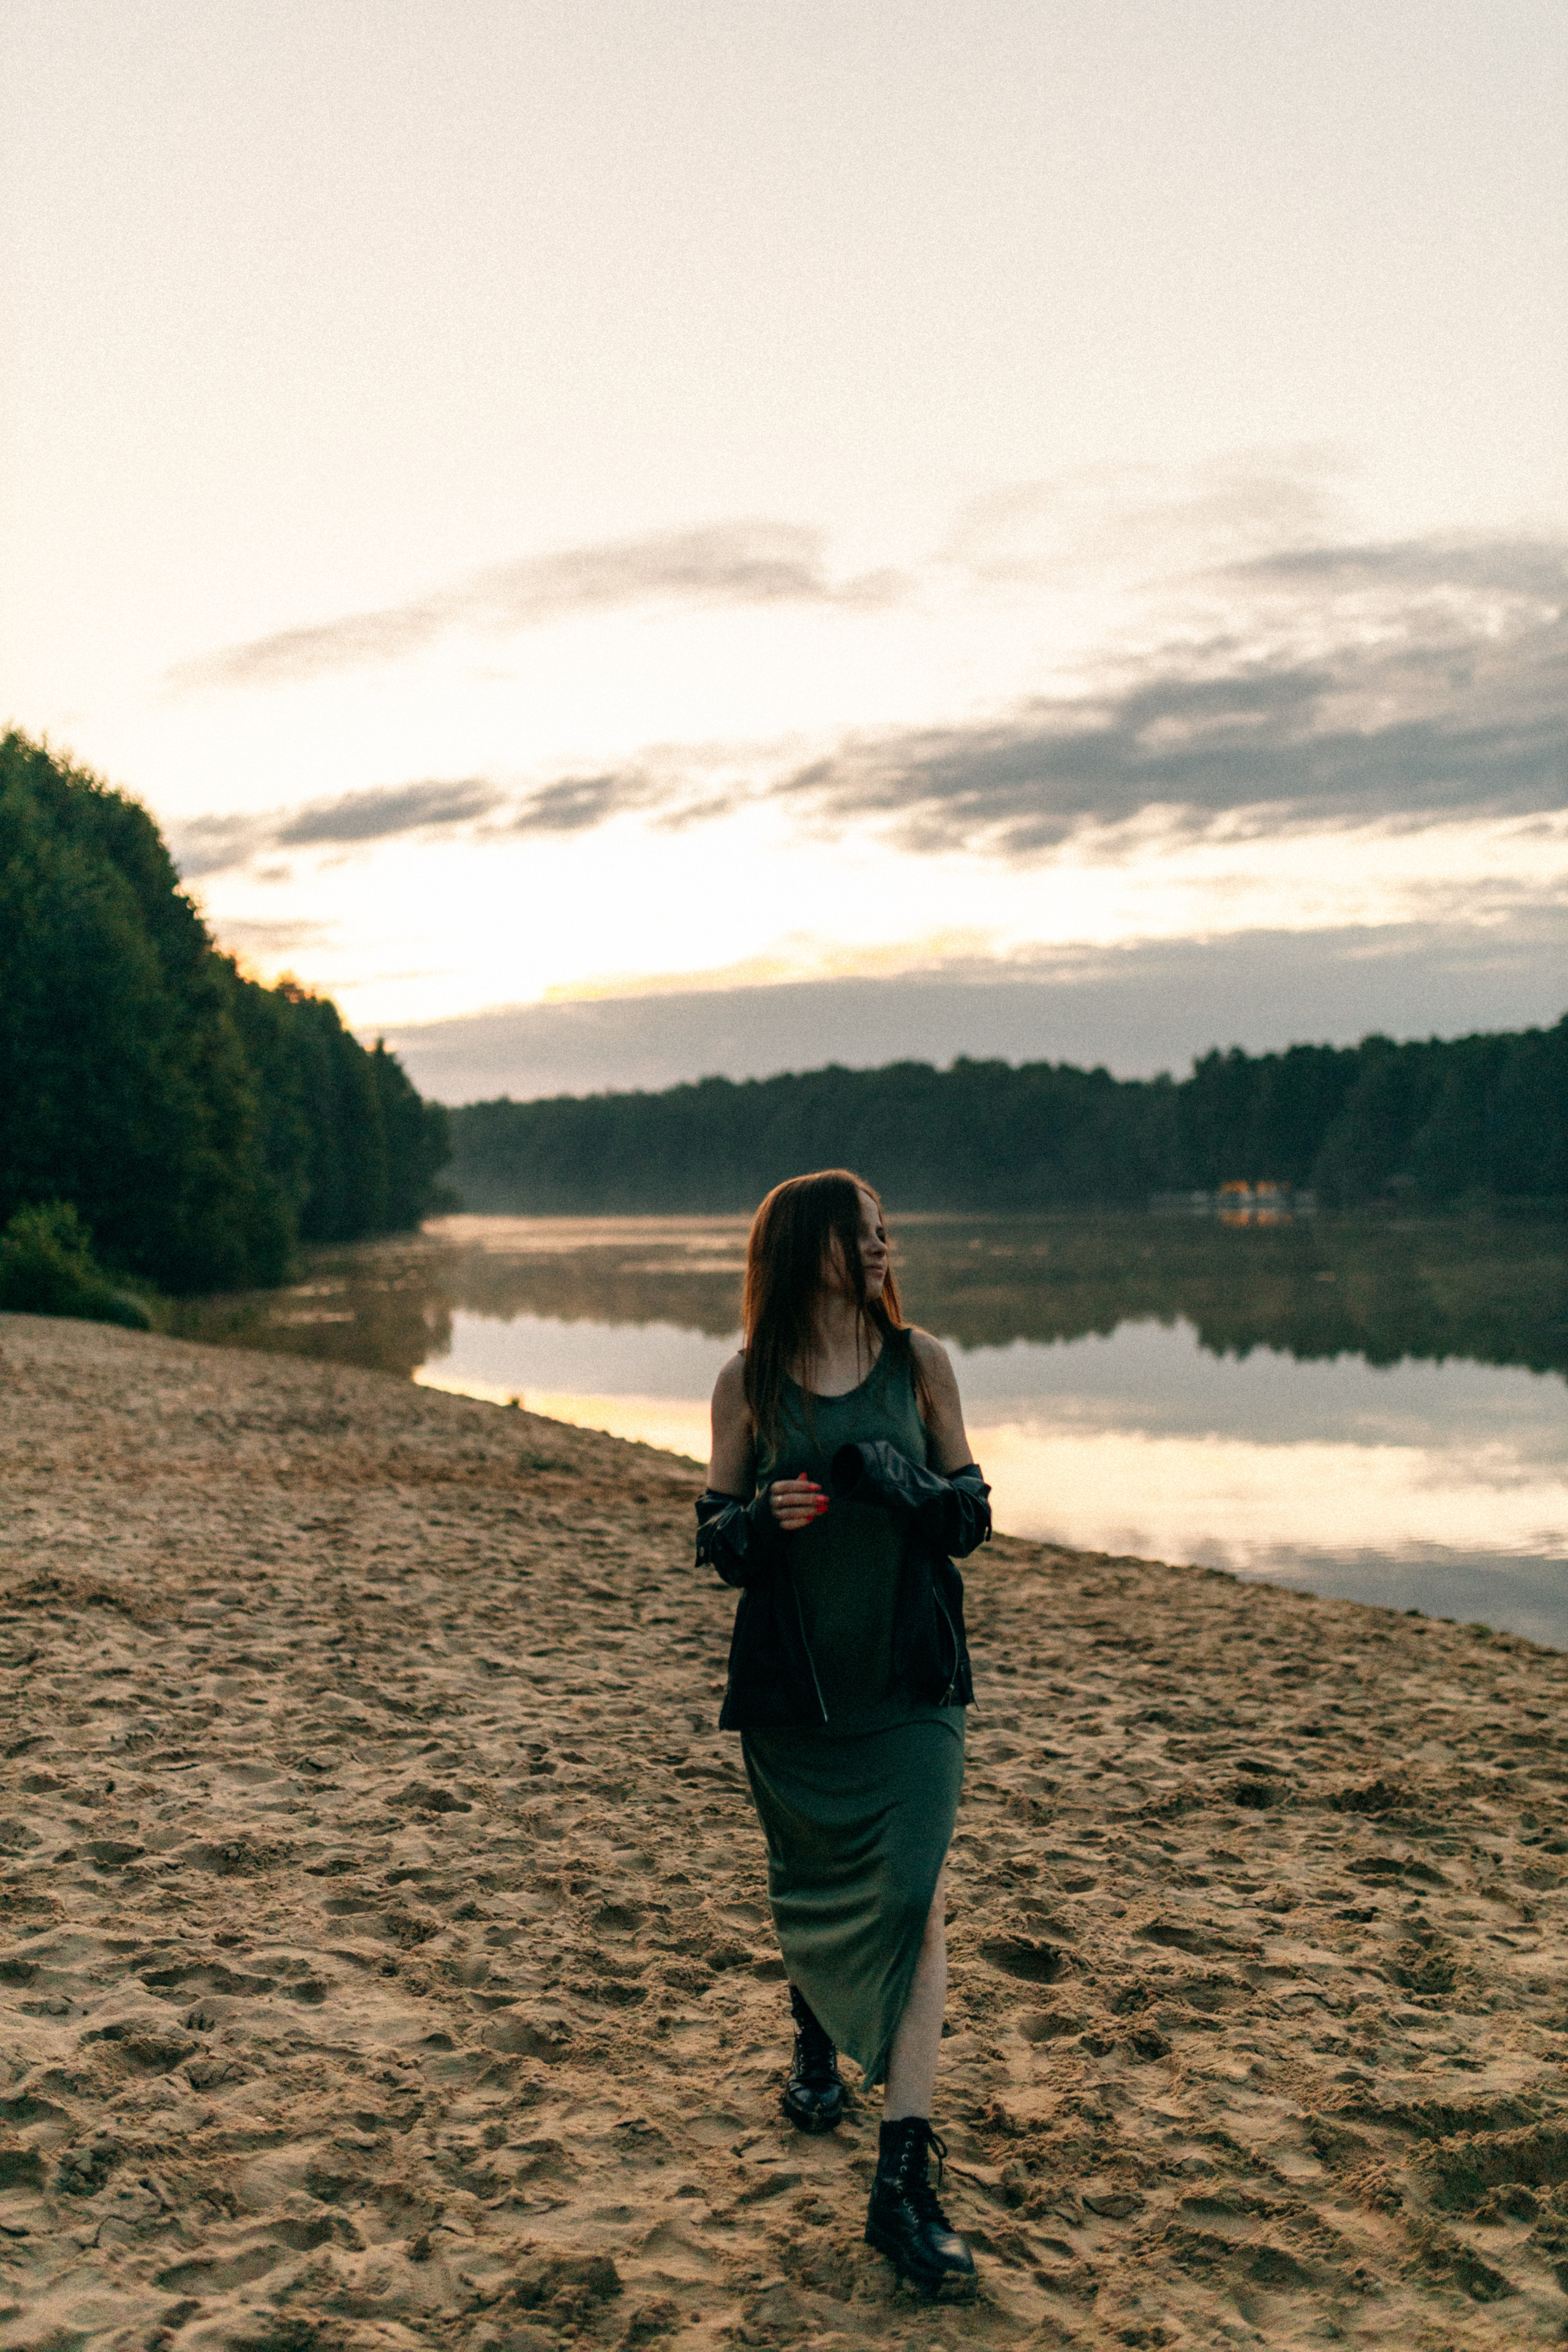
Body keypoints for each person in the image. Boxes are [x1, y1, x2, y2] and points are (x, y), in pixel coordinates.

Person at [695, 1169, 991, 2296]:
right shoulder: (746, 1384)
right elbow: (714, 1539)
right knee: (818, 1885)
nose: (881, 1246)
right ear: (807, 1246)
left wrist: (915, 1486)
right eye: (861, 1233)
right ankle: (815, 2032)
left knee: (913, 1898)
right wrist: (757, 1520)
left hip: (913, 1691)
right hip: (798, 1704)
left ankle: (903, 2187)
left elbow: (972, 1517)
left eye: (883, 1233)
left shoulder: (924, 1366)